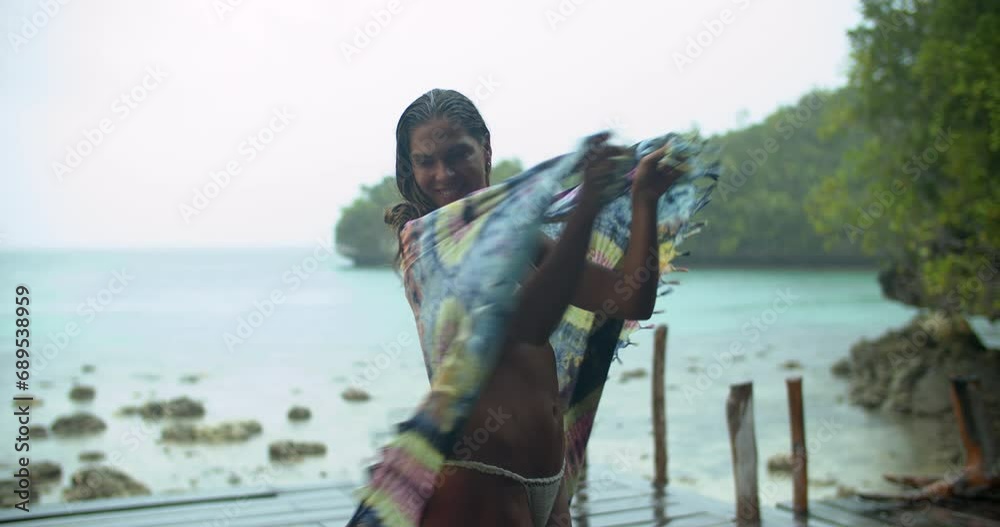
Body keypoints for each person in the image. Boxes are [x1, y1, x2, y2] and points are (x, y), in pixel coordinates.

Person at [347, 88, 707, 527]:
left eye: (458, 154)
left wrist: (644, 200)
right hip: (479, 483)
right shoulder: (425, 245)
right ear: (410, 168)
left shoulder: (518, 233)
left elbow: (628, 298)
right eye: (425, 161)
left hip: (548, 486)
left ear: (486, 150)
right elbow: (529, 324)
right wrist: (587, 206)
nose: (443, 173)